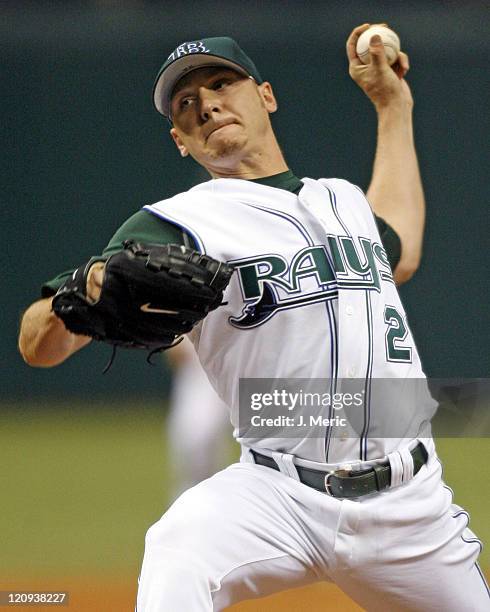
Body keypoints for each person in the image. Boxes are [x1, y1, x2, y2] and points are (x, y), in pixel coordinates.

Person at [18, 23, 489, 611]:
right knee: (178, 547)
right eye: (186, 106)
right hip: (278, 493)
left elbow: (402, 247)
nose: (207, 104)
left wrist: (392, 104)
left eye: (222, 84)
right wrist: (81, 294)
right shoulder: (178, 222)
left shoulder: (340, 198)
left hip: (411, 506)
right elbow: (37, 344)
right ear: (180, 141)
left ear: (265, 96)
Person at [166, 337, 234, 497]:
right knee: (195, 438)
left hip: (242, 366)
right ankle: (195, 494)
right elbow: (175, 354)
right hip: (198, 376)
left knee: (276, 443)